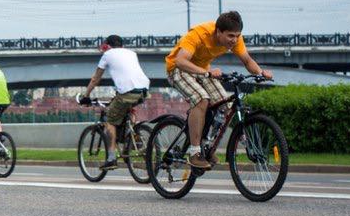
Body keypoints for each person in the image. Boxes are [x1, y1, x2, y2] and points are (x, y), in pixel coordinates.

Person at [165, 11, 272, 169]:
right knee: (201, 99)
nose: (234, 40)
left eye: (237, 35)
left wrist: (261, 72)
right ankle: (194, 153)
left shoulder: (236, 40)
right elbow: (180, 61)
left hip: (202, 69)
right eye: (230, 36)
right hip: (178, 69)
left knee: (225, 105)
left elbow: (247, 60)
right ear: (218, 31)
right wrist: (207, 73)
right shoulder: (198, 35)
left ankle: (205, 145)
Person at [81, 34, 151, 168]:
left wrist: (86, 95)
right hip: (143, 90)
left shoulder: (107, 55)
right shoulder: (132, 53)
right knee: (126, 108)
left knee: (110, 121)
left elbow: (96, 79)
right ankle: (132, 138)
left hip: (126, 92)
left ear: (106, 46)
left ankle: (111, 159)